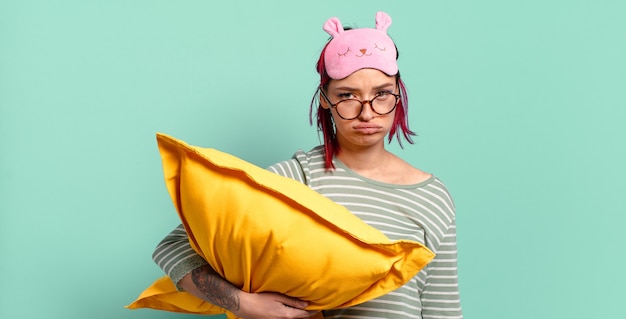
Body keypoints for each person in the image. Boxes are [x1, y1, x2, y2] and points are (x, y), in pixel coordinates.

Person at [152, 11, 462, 319]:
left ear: (398, 93)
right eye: (348, 95)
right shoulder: (297, 177)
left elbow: (443, 310)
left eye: (381, 94)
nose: (367, 113)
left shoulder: (432, 197)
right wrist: (242, 304)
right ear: (325, 99)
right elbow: (173, 247)